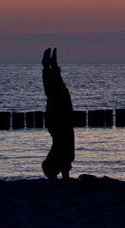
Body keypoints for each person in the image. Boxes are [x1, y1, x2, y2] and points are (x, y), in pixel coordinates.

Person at [41, 48, 74, 179]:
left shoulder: (58, 155)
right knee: (54, 91)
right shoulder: (58, 155)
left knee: (56, 91)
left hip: (59, 120)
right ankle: (49, 66)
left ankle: (49, 66)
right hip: (57, 120)